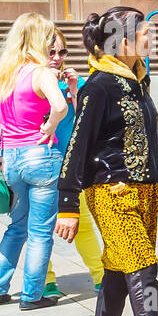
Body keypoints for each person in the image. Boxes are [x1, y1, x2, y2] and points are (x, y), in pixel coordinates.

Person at [56, 7, 158, 316]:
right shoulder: (97, 87)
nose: (151, 39)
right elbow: (77, 148)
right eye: (146, 33)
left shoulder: (136, 81)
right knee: (143, 268)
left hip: (145, 193)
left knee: (119, 270)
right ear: (124, 40)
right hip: (112, 193)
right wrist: (67, 205)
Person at [0, 12, 68, 311]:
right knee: (40, 231)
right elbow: (60, 106)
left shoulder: (2, 73)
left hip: (12, 158)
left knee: (16, 227)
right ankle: (32, 295)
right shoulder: (40, 72)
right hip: (40, 154)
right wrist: (50, 126)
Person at [42, 29, 104, 299]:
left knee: (83, 223)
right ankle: (45, 279)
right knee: (41, 226)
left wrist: (76, 89)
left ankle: (101, 276)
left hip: (69, 163)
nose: (57, 58)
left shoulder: (68, 82)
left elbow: (84, 120)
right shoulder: (33, 80)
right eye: (51, 52)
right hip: (41, 163)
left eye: (62, 52)